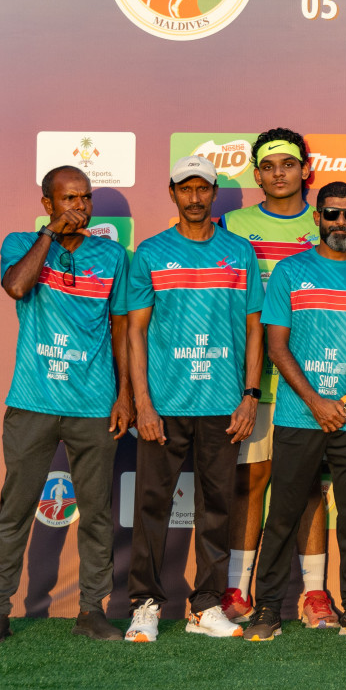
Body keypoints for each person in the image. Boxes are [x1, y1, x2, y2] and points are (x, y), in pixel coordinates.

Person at [0, 166, 133, 645]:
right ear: (48, 203)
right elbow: (17, 287)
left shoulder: (112, 256)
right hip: (33, 400)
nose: (79, 208)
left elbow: (123, 327)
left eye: (85, 199)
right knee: (15, 509)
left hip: (93, 404)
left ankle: (91, 609)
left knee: (98, 512)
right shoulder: (21, 242)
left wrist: (124, 394)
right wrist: (48, 236)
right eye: (68, 200)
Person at [244, 182, 346, 641]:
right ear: (318, 217)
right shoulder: (290, 272)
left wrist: (345, 403)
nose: (341, 224)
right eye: (333, 214)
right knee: (284, 513)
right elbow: (276, 346)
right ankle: (267, 608)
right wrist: (316, 402)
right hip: (298, 414)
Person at [124, 156, 264, 642]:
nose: (196, 198)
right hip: (164, 405)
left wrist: (249, 396)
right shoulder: (150, 252)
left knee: (217, 508)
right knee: (152, 506)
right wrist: (143, 401)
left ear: (214, 192)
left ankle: (205, 605)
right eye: (186, 189)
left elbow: (253, 328)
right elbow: (136, 332)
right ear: (172, 193)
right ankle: (143, 603)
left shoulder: (239, 252)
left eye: (203, 188)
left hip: (223, 404)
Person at [218, 129, 335, 628]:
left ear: (305, 170)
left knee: (308, 484)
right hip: (251, 377)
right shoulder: (234, 224)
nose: (280, 173)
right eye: (270, 165)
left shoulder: (326, 220)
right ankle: (237, 590)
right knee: (252, 481)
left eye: (290, 164)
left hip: (311, 378)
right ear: (256, 173)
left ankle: (314, 594)